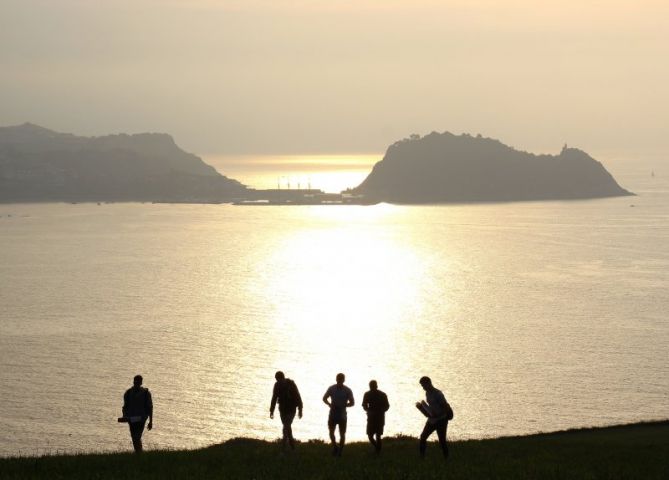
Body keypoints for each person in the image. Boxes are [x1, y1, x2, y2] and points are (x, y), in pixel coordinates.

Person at [416, 376, 450, 460]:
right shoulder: (427, 393)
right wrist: (422, 408)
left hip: (441, 420)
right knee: (423, 437)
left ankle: (447, 458)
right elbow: (430, 407)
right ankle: (422, 458)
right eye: (422, 386)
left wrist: (438, 415)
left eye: (423, 385)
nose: (423, 388)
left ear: (429, 383)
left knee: (442, 441)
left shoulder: (438, 394)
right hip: (431, 420)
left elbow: (445, 408)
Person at [269, 371, 303, 450]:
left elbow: (298, 396)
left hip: (291, 409)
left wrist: (300, 409)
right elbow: (274, 397)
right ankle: (289, 445)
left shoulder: (291, 384)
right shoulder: (277, 385)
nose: (279, 381)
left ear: (283, 378)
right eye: (277, 380)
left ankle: (288, 444)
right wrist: (271, 410)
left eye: (279, 379)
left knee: (286, 425)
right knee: (286, 426)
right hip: (282, 409)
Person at [322, 373, 354, 456]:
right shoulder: (332, 388)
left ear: (343, 380)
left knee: (342, 434)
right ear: (336, 379)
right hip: (333, 414)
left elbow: (352, 403)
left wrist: (344, 405)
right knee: (331, 432)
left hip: (342, 415)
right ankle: (335, 447)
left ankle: (340, 451)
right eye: (338, 379)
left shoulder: (347, 390)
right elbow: (324, 398)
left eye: (341, 379)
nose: (339, 381)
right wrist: (329, 404)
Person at [122, 374, 153, 453]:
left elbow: (150, 408)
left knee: (137, 437)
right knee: (134, 437)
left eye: (138, 382)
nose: (136, 384)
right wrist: (124, 416)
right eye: (135, 382)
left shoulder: (146, 393)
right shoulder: (128, 393)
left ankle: (139, 453)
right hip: (131, 419)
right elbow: (125, 406)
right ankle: (139, 453)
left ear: (141, 383)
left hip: (141, 419)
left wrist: (150, 421)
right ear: (133, 382)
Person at [361, 380, 390, 453]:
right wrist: (368, 411)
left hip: (380, 418)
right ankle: (377, 448)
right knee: (370, 435)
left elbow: (387, 406)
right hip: (371, 417)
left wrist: (381, 411)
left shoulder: (382, 394)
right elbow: (364, 405)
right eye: (371, 386)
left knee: (378, 435)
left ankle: (378, 451)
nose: (372, 388)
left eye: (373, 386)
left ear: (376, 386)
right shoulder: (367, 394)